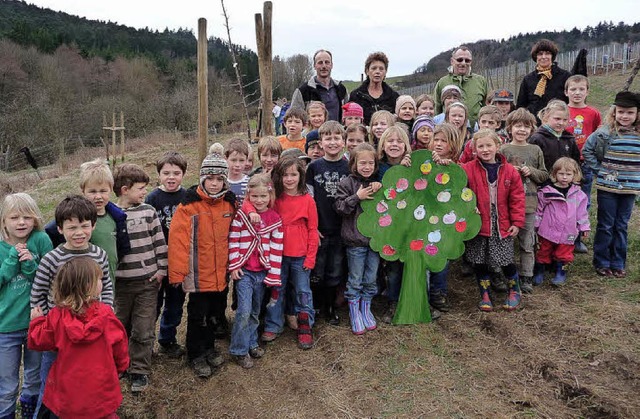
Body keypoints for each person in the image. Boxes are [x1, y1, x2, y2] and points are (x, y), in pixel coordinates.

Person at [31, 195, 112, 413]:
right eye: (72, 227)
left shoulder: (99, 255)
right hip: (59, 336)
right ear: (60, 229)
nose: (79, 232)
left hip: (92, 334)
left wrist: (108, 312)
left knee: (86, 381)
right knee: (51, 382)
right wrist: (45, 323)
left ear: (93, 225)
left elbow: (108, 287)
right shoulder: (51, 259)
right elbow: (38, 293)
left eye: (85, 226)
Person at [28, 257, 129, 419]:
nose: (102, 283)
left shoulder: (57, 316)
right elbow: (120, 348)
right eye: (99, 279)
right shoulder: (107, 316)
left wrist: (37, 321)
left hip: (67, 394)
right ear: (89, 286)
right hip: (100, 390)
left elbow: (38, 341)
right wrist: (119, 367)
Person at [168, 153, 236, 377]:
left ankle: (209, 348)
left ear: (225, 180)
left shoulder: (229, 204)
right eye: (210, 178)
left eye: (219, 179)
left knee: (216, 313)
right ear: (202, 179)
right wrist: (177, 274)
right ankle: (195, 354)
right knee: (198, 316)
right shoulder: (189, 206)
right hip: (198, 276)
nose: (214, 183)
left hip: (220, 275)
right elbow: (178, 241)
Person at [253, 157, 319, 349]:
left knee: (302, 291)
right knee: (276, 290)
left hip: (300, 255)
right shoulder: (275, 199)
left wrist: (311, 256)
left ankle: (305, 324)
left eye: (293, 175)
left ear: (301, 176)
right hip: (277, 255)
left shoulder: (307, 200)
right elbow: (256, 206)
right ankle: (274, 324)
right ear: (278, 177)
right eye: (285, 175)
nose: (289, 179)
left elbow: (313, 229)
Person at [113, 163, 168, 393]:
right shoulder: (111, 215)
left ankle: (140, 370)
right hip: (120, 285)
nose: (144, 192)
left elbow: (159, 242)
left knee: (143, 329)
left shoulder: (148, 211)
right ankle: (120, 364)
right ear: (125, 189)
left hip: (147, 282)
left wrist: (161, 270)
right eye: (140, 188)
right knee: (119, 327)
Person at [460, 129, 525, 311]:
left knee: (505, 259)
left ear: (498, 146)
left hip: (502, 223)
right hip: (479, 223)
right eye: (481, 146)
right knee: (479, 260)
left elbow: (517, 198)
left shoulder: (510, 171)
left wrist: (517, 222)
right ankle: (485, 294)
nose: (485, 149)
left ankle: (514, 290)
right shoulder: (467, 169)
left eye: (489, 145)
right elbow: (458, 189)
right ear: (474, 149)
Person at [0, 193, 52, 419]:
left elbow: (50, 277)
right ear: (4, 221)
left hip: (37, 323)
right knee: (7, 383)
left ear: (35, 219)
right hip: (5, 327)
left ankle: (31, 413)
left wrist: (31, 264)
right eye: (14, 217)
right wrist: (12, 261)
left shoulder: (40, 240)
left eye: (27, 217)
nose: (21, 222)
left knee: (34, 377)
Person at [582, 91, 640, 279]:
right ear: (614, 112)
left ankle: (618, 262)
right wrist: (599, 170)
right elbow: (587, 150)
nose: (625, 116)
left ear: (637, 114)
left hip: (630, 187)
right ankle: (602, 261)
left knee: (621, 224)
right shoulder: (605, 132)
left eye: (630, 113)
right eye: (621, 112)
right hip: (608, 187)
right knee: (606, 224)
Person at [228, 174, 283, 368]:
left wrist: (274, 274)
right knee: (243, 310)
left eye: (263, 197)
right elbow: (234, 240)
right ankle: (238, 349)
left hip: (262, 272)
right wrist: (234, 265)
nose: (259, 201)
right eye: (254, 197)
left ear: (270, 196)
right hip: (245, 272)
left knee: (255, 311)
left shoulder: (274, 218)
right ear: (248, 197)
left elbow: (277, 248)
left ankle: (251, 342)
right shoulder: (242, 216)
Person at [44, 159, 131, 281]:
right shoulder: (73, 218)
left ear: (111, 189)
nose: (98, 197)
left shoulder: (117, 218)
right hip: (79, 282)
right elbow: (51, 232)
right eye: (92, 191)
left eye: (103, 191)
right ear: (83, 191)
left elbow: (120, 249)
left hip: (108, 283)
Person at [334, 143, 382, 334]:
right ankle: (354, 311)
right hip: (355, 241)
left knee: (371, 278)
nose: (367, 167)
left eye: (371, 163)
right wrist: (357, 196)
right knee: (355, 278)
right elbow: (339, 207)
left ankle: (366, 308)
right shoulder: (347, 183)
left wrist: (381, 188)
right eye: (363, 163)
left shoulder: (377, 182)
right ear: (353, 163)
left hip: (375, 242)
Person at [306, 121, 349, 326]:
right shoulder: (313, 167)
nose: (332, 142)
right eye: (327, 138)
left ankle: (331, 307)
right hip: (320, 229)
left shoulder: (349, 166)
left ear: (344, 141)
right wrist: (313, 227)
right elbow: (309, 200)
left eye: (336, 138)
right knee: (318, 269)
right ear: (321, 143)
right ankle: (315, 305)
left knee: (335, 268)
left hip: (341, 229)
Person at [145, 151, 188, 358]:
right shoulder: (152, 198)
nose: (171, 177)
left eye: (176, 173)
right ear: (159, 175)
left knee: (175, 303)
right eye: (166, 173)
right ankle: (146, 343)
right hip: (156, 261)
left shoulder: (187, 197)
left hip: (179, 261)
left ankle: (167, 339)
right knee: (153, 304)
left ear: (183, 174)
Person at [500, 108, 548, 292]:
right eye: (517, 126)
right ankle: (505, 274)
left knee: (527, 242)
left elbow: (544, 174)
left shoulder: (535, 150)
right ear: (509, 128)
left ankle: (527, 276)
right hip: (506, 205)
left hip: (529, 204)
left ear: (532, 129)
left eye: (526, 127)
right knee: (506, 242)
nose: (522, 130)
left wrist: (531, 171)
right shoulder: (504, 149)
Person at [532, 158, 590, 286]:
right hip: (548, 229)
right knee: (543, 251)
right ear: (554, 174)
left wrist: (584, 227)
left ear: (575, 175)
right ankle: (539, 271)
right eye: (561, 174)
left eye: (568, 174)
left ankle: (560, 272)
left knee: (564, 253)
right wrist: (536, 225)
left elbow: (582, 213)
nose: (564, 177)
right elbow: (539, 210)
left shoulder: (578, 194)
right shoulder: (546, 192)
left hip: (568, 231)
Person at [376, 126, 412, 322]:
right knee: (393, 266)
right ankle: (393, 302)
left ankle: (414, 300)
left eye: (399, 141)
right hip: (389, 226)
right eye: (390, 141)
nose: (395, 145)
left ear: (406, 145)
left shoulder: (413, 165)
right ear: (383, 145)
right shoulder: (378, 167)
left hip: (412, 225)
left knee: (412, 265)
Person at [428, 123, 463, 313]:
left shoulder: (456, 167)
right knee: (426, 254)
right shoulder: (425, 163)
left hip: (445, 221)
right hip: (425, 220)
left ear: (453, 145)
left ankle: (438, 292)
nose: (439, 144)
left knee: (442, 258)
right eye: (436, 140)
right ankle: (424, 292)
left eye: (444, 141)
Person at [516, 39, 571, 121]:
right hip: (533, 124)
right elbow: (521, 106)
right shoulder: (528, 79)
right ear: (535, 57)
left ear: (552, 56)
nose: (543, 57)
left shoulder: (565, 76)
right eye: (540, 54)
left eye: (547, 53)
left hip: (557, 123)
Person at [434, 46, 488, 127]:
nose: (463, 63)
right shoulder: (442, 82)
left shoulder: (481, 81)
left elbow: (485, 108)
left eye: (467, 60)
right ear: (452, 61)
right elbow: (437, 109)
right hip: (448, 132)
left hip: (475, 132)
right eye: (459, 60)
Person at [291, 50, 348, 122]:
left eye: (327, 62)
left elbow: (347, 116)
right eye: (320, 63)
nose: (324, 66)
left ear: (331, 65)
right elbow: (294, 118)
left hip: (337, 132)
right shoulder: (302, 91)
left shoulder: (341, 89)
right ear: (314, 66)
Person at [529, 99, 580, 173]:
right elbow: (532, 164)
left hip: (564, 181)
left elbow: (576, 163)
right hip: (543, 181)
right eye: (557, 119)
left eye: (565, 120)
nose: (561, 123)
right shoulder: (537, 138)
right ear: (546, 117)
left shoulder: (569, 139)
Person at [349, 52, 400, 125]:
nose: (377, 72)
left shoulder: (394, 96)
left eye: (381, 69)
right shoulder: (356, 95)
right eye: (374, 68)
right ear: (367, 71)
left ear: (385, 72)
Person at [225, 139, 250, 207]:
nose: (237, 165)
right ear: (226, 159)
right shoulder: (221, 181)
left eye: (241, 160)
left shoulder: (250, 182)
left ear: (246, 160)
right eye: (233, 160)